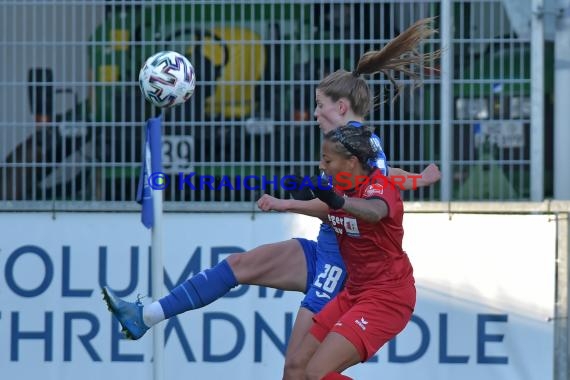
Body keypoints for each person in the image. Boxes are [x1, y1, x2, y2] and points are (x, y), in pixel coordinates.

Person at [102, 16, 440, 378]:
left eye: (319, 104)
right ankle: (146, 316)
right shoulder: (362, 143)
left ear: (341, 108)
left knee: (298, 369)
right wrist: (417, 178)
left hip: (339, 264)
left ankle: (146, 316)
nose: (314, 114)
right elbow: (382, 180)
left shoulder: (349, 149)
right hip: (328, 250)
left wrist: (287, 204)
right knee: (240, 266)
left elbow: (340, 208)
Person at [287, 123, 415, 380]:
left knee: (316, 372)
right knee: (295, 368)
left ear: (351, 162)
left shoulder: (380, 187)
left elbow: (374, 211)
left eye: (327, 160)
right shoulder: (341, 187)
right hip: (355, 292)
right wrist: (292, 200)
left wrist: (337, 201)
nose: (322, 166)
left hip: (387, 297)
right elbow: (334, 215)